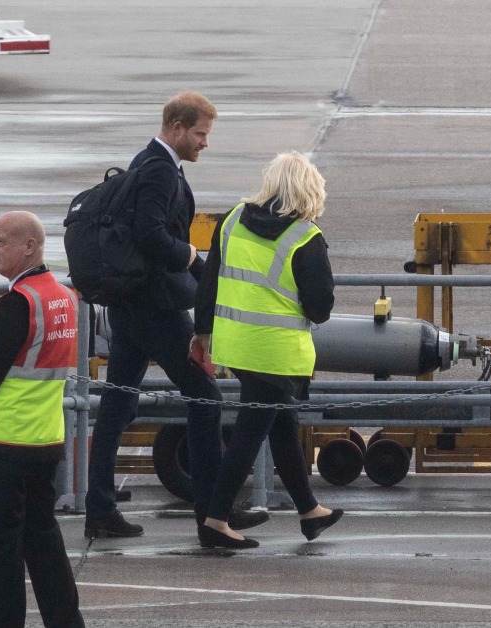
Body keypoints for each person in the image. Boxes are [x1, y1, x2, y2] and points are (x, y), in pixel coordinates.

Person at [84, 92, 268, 538]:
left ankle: (100, 510)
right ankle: (212, 511)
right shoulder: (162, 171)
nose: (205, 143)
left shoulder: (145, 160)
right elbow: (151, 235)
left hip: (129, 305)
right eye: (201, 134)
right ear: (177, 128)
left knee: (117, 405)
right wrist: (190, 255)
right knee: (206, 399)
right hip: (155, 308)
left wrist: (199, 268)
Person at [191, 151, 343, 549]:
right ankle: (215, 520)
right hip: (276, 352)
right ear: (308, 190)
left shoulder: (232, 220)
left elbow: (210, 280)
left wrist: (201, 332)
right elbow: (320, 308)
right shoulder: (306, 236)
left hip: (235, 345)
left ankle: (310, 512)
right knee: (249, 433)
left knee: (280, 426)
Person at [0, 211, 86, 628]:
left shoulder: (16, 304)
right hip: (44, 440)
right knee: (44, 543)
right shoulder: (64, 297)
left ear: (29, 247)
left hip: (2, 443)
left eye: (0, 241)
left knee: (1, 554)